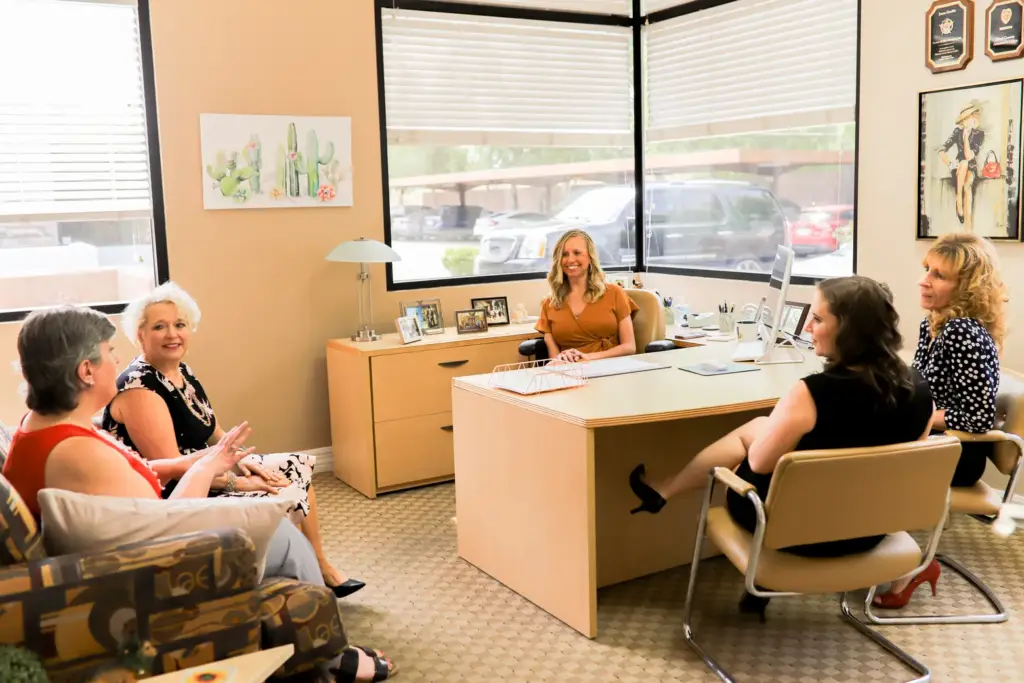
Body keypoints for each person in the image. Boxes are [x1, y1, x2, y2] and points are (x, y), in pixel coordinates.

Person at [2, 306, 396, 681]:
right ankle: (329, 657)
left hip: (123, 551)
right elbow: (168, 519)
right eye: (110, 354)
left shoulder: (41, 427)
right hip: (154, 571)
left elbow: (132, 479)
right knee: (283, 536)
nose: (117, 364)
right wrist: (208, 470)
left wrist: (207, 460)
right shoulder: (78, 453)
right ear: (86, 370)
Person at [627, 276, 935, 616]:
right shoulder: (921, 390)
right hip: (870, 530)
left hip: (790, 532)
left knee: (755, 438)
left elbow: (758, 464)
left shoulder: (811, 393)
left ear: (848, 330)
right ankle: (668, 490)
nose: (808, 328)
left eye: (818, 319)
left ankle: (667, 489)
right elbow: (908, 464)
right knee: (766, 431)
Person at [100, 282, 364, 598]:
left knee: (294, 469)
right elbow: (175, 473)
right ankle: (294, 583)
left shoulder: (179, 370)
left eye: (180, 325)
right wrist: (240, 484)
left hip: (211, 468)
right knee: (275, 490)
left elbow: (215, 432)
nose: (173, 334)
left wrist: (246, 459)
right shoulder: (140, 389)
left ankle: (320, 566)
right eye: (160, 327)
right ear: (139, 335)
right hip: (180, 496)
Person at [873, 233, 1008, 609]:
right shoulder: (934, 325)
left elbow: (978, 416)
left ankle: (906, 564)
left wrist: (917, 417)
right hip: (931, 442)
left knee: (855, 461)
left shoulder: (963, 332)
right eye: (926, 270)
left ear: (967, 287)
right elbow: (920, 389)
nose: (924, 280)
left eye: (939, 275)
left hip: (957, 452)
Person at [536, 229, 638, 363]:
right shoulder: (549, 304)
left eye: (577, 253)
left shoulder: (614, 293)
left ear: (590, 257)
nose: (570, 259)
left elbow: (630, 347)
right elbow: (555, 359)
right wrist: (561, 361)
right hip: (572, 372)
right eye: (564, 254)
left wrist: (588, 357)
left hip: (611, 368)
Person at [937, 101, 984, 232]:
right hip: (958, 169)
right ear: (964, 120)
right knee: (962, 164)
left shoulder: (978, 135)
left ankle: (967, 227)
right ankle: (959, 199)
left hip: (971, 168)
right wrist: (950, 163)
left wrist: (965, 138)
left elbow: (969, 156)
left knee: (967, 184)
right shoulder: (957, 132)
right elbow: (941, 150)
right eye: (969, 117)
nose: (971, 120)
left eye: (973, 117)